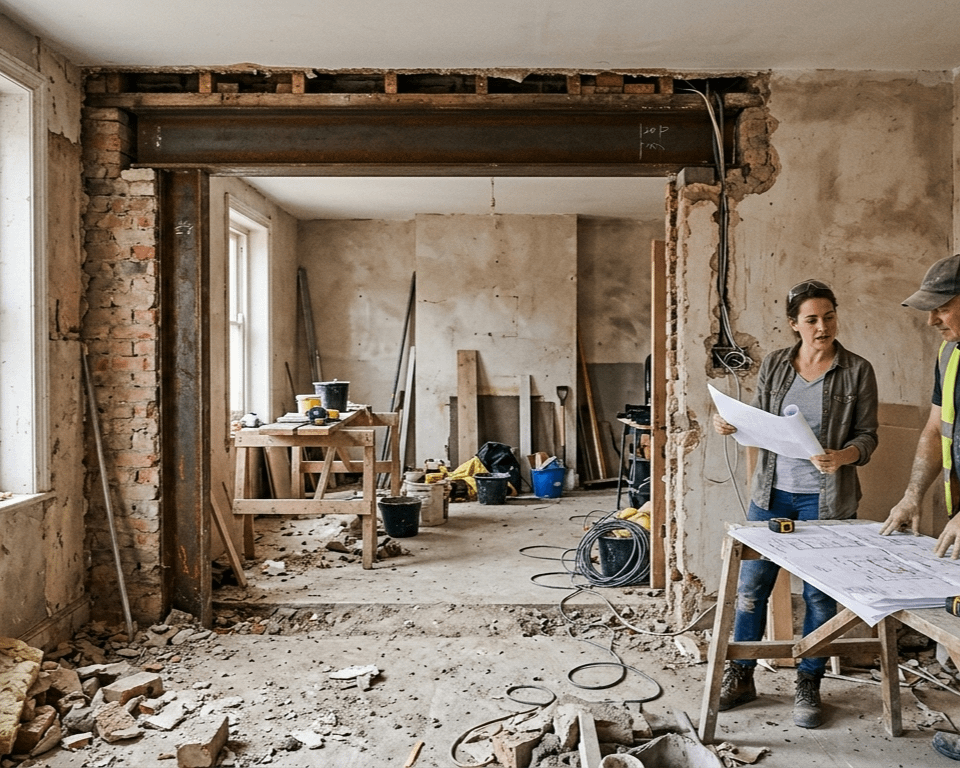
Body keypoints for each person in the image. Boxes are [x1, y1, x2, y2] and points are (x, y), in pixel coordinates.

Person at [713, 279, 879, 729]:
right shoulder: (775, 366)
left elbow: (869, 436)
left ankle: (809, 684)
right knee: (751, 590)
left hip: (826, 501)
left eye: (828, 316)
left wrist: (845, 455)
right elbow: (758, 419)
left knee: (819, 599)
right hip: (771, 495)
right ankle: (742, 677)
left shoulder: (857, 370)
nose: (822, 326)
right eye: (811, 319)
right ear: (794, 325)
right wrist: (730, 423)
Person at [879, 253, 960, 761]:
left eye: (942, 307)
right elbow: (934, 431)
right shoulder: (949, 355)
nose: (932, 320)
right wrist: (913, 494)